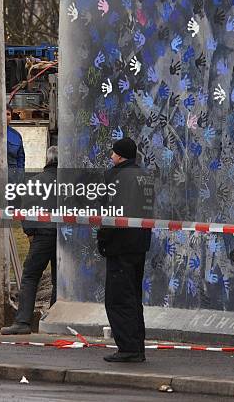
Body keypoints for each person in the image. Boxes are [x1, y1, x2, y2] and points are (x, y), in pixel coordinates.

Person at [97, 138, 152, 363]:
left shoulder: (114, 177)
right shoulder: (144, 176)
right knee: (133, 296)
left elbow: (108, 213)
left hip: (119, 245)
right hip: (139, 244)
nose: (111, 157)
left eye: (113, 153)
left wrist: (103, 240)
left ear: (120, 156)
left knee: (118, 298)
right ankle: (137, 346)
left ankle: (128, 348)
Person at [1, 146, 58, 335]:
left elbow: (26, 210)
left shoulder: (35, 182)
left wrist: (30, 233)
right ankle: (56, 318)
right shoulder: (70, 183)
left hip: (42, 236)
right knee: (61, 280)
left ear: (46, 160)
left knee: (30, 276)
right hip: (65, 238)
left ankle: (23, 321)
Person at [6, 104, 25, 170]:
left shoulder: (16, 136)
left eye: (8, 114)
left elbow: (21, 159)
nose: (5, 117)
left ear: (11, 117)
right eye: (3, 114)